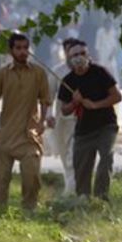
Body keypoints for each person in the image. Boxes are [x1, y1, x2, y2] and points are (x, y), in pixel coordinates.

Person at [0, 32, 50, 210]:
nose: (23, 52)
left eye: (26, 48)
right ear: (11, 51)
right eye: (18, 48)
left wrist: (42, 122)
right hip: (7, 134)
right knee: (0, 180)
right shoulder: (1, 74)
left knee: (31, 175)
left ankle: (30, 209)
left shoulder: (39, 73)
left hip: (29, 134)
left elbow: (45, 99)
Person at [58, 40, 122, 201]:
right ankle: (84, 198)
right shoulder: (68, 81)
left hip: (106, 125)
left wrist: (95, 105)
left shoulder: (100, 72)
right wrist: (75, 102)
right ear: (69, 58)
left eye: (82, 54)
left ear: (88, 55)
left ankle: (101, 196)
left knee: (106, 158)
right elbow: (64, 110)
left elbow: (117, 96)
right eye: (74, 55)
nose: (79, 57)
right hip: (83, 129)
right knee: (82, 165)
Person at [44, 37, 79, 195]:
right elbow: (48, 96)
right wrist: (48, 116)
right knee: (65, 156)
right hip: (62, 121)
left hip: (80, 120)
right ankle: (71, 185)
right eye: (68, 51)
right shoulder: (57, 71)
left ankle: (72, 191)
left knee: (74, 155)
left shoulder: (88, 70)